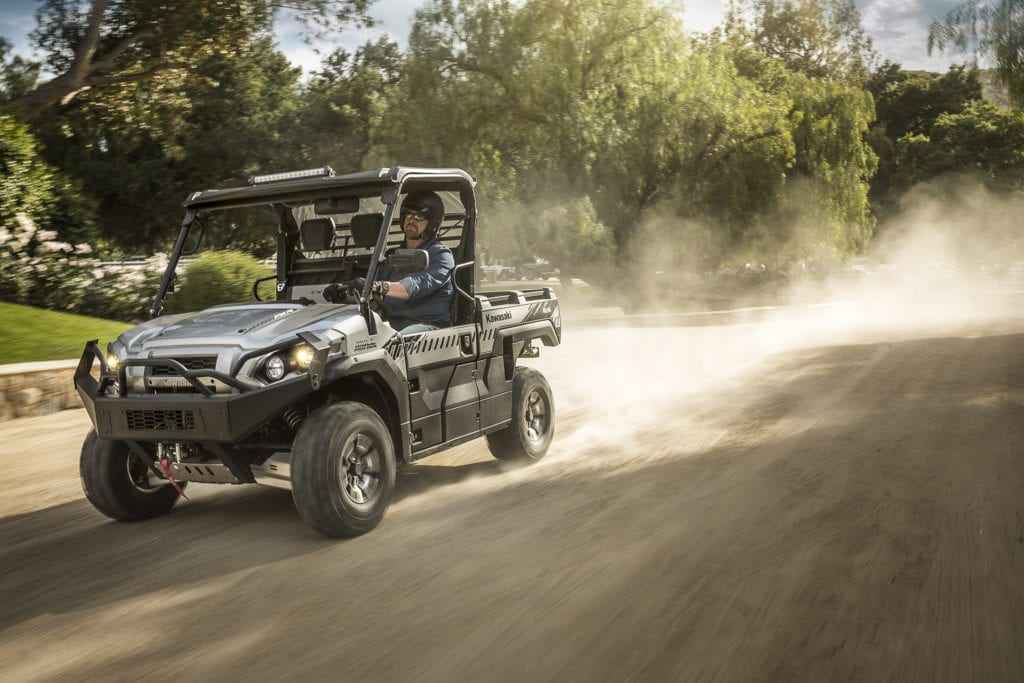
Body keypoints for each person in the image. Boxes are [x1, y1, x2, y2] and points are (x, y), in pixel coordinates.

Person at [341, 190, 455, 334]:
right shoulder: (391, 255)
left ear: (432, 222)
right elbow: (372, 294)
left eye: (418, 216)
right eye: (408, 214)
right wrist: (344, 295)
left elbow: (413, 286)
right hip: (391, 323)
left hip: (428, 327)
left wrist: (377, 286)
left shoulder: (441, 255)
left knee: (396, 342)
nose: (411, 220)